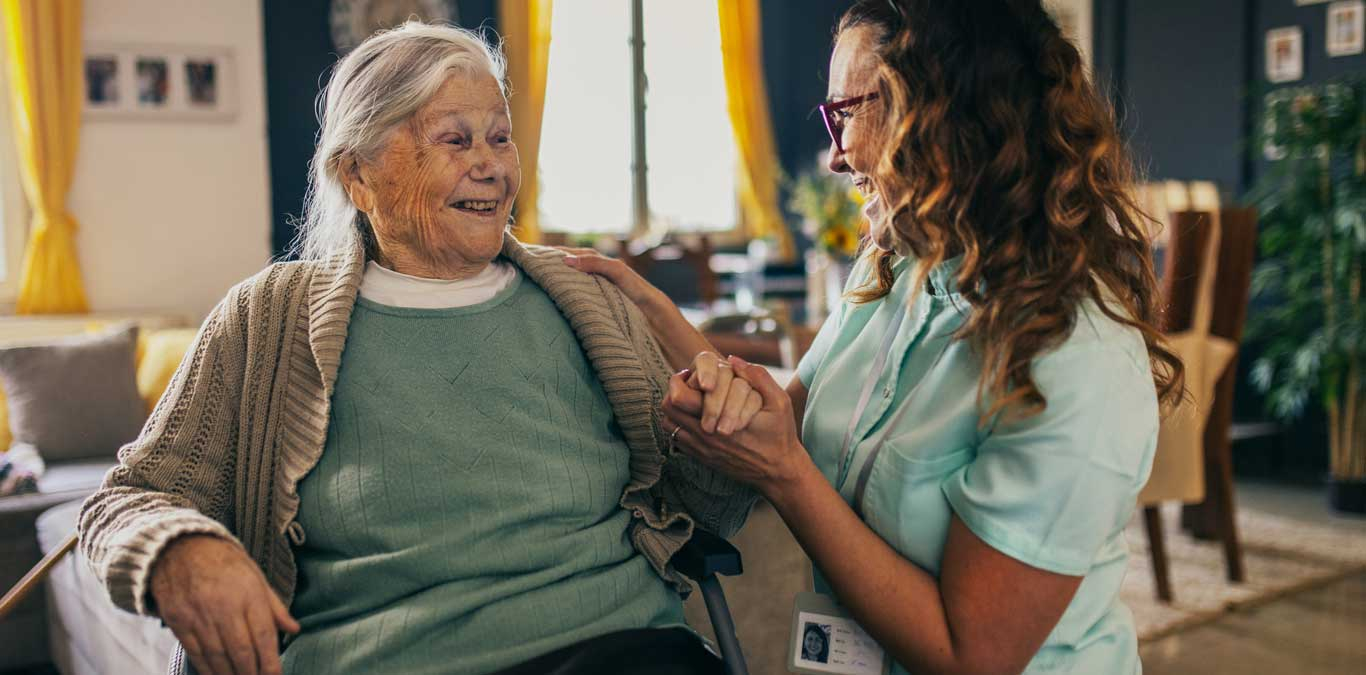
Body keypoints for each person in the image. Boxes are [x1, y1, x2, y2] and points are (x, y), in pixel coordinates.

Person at [78, 22, 753, 675]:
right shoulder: (269, 317)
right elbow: (127, 499)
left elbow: (710, 507)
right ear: (359, 177)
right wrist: (178, 549)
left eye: (500, 137)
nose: (489, 165)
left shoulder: (585, 298)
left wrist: (718, 429)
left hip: (620, 648)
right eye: (454, 140)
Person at [563, 1, 1184, 673]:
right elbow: (788, 421)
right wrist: (652, 314)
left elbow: (969, 653)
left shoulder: (1077, 358)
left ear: (940, 113)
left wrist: (785, 475)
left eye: (845, 112)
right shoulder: (893, 269)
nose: (833, 154)